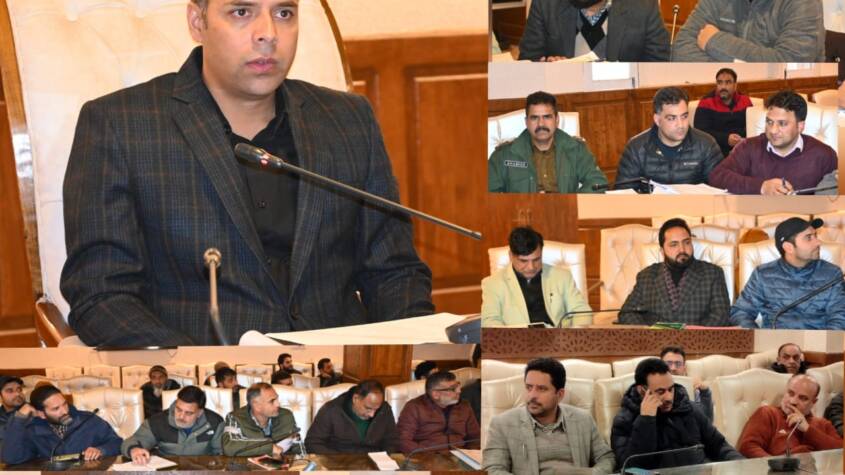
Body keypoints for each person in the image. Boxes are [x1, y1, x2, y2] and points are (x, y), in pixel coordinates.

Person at [60, 0, 434, 346]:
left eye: (284, 13)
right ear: (198, 21)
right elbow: (101, 293)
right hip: (200, 380)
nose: (268, 34)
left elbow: (394, 273)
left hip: (343, 377)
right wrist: (196, 372)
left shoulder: (348, 120)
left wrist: (421, 360)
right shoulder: (120, 125)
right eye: (241, 12)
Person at [484, 358, 615, 474]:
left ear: (560, 394)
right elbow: (492, 469)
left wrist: (592, 474)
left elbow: (606, 458)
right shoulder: (502, 424)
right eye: (529, 387)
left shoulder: (583, 419)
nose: (532, 395)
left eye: (542, 389)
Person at [611, 358, 742, 470]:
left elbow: (719, 445)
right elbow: (632, 467)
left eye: (671, 389)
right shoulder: (624, 420)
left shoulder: (689, 408)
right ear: (642, 390)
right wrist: (646, 420)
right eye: (660, 392)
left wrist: (743, 466)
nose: (669, 397)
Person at [708, 91, 837, 195]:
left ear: (800, 126)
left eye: (782, 123)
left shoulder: (824, 154)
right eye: (769, 122)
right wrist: (761, 187)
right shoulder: (748, 147)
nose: (773, 130)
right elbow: (717, 176)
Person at [730, 218, 845, 329]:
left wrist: (823, 341)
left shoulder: (832, 274)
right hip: (774, 341)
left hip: (817, 341)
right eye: (809, 238)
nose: (818, 242)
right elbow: (741, 312)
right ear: (788, 247)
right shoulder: (763, 275)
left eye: (815, 236)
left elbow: (839, 318)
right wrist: (758, 337)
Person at [488, 91, 607, 193]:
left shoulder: (576, 149)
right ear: (526, 122)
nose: (541, 124)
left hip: (565, 210)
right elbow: (488, 194)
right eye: (534, 118)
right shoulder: (503, 156)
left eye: (547, 117)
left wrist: (571, 204)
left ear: (556, 120)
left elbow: (597, 182)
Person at [619, 218, 731, 326]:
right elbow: (627, 313)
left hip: (698, 338)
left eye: (686, 242)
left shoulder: (713, 274)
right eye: (674, 244)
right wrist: (649, 332)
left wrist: (694, 334)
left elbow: (721, 315)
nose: (682, 249)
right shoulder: (646, 276)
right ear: (662, 251)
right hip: (656, 338)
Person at [615, 87, 723, 191]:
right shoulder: (636, 148)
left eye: (684, 116)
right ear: (657, 120)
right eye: (672, 118)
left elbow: (720, 188)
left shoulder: (706, 145)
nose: (681, 125)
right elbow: (623, 193)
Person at [482, 226, 592, 327]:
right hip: (518, 340)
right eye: (523, 261)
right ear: (511, 256)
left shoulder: (562, 277)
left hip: (559, 338)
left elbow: (582, 312)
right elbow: (490, 322)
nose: (531, 267)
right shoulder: (493, 284)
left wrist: (574, 336)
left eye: (536, 260)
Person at [1, 385, 122, 464]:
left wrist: (101, 450)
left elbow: (117, 443)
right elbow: (11, 458)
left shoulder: (88, 420)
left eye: (64, 404)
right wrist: (19, 419)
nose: (64, 411)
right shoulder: (33, 430)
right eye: (56, 409)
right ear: (41, 414)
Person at [671, 0, 824, 62]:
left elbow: (788, 65)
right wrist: (732, 73)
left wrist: (715, 41)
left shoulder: (804, 3)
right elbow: (681, 49)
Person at [518, 0, 669, 62]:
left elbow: (659, 67)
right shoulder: (545, 4)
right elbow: (527, 63)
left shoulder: (643, 6)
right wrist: (548, 69)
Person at [737, 375, 842, 457]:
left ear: (813, 402)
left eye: (803, 398)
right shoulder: (768, 413)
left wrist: (808, 430)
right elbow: (747, 447)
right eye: (790, 393)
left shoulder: (822, 424)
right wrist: (777, 466)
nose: (793, 401)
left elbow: (840, 452)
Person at [122, 386, 225, 463]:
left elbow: (221, 456)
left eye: (188, 413)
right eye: (178, 409)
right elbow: (132, 441)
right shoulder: (158, 421)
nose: (181, 416)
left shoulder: (215, 423)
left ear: (199, 413)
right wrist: (134, 449)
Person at [397, 371, 480, 454]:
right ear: (436, 394)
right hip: (426, 456)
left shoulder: (464, 406)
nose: (459, 391)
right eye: (453, 389)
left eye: (458, 386)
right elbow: (403, 441)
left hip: (460, 455)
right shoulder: (415, 407)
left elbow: (475, 437)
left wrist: (470, 454)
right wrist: (424, 456)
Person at [305, 380, 396, 453]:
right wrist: (337, 460)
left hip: (374, 463)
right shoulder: (331, 410)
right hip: (339, 462)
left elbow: (392, 441)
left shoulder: (385, 410)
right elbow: (313, 443)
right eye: (368, 408)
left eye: (376, 409)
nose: (372, 414)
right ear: (355, 398)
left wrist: (385, 459)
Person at [222, 383, 298, 457]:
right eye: (272, 401)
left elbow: (298, 447)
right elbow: (229, 446)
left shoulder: (286, 415)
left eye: (277, 399)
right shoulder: (236, 418)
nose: (278, 404)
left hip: (284, 463)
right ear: (257, 406)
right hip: (247, 464)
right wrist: (269, 447)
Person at [693, 68, 753, 157]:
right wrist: (726, 139)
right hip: (715, 150)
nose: (723, 87)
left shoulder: (745, 100)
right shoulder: (706, 102)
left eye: (728, 82)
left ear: (735, 85)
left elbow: (751, 126)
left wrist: (740, 141)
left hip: (742, 147)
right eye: (720, 82)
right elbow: (700, 131)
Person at [660, 346, 713, 421]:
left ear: (684, 368)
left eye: (678, 364)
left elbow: (705, 421)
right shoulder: (650, 388)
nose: (673, 368)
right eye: (668, 363)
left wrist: (705, 392)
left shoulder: (693, 388)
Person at [0, 376, 25, 452]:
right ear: (0, 397)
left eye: (19, 389)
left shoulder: (34, 412)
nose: (17, 394)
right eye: (10, 391)